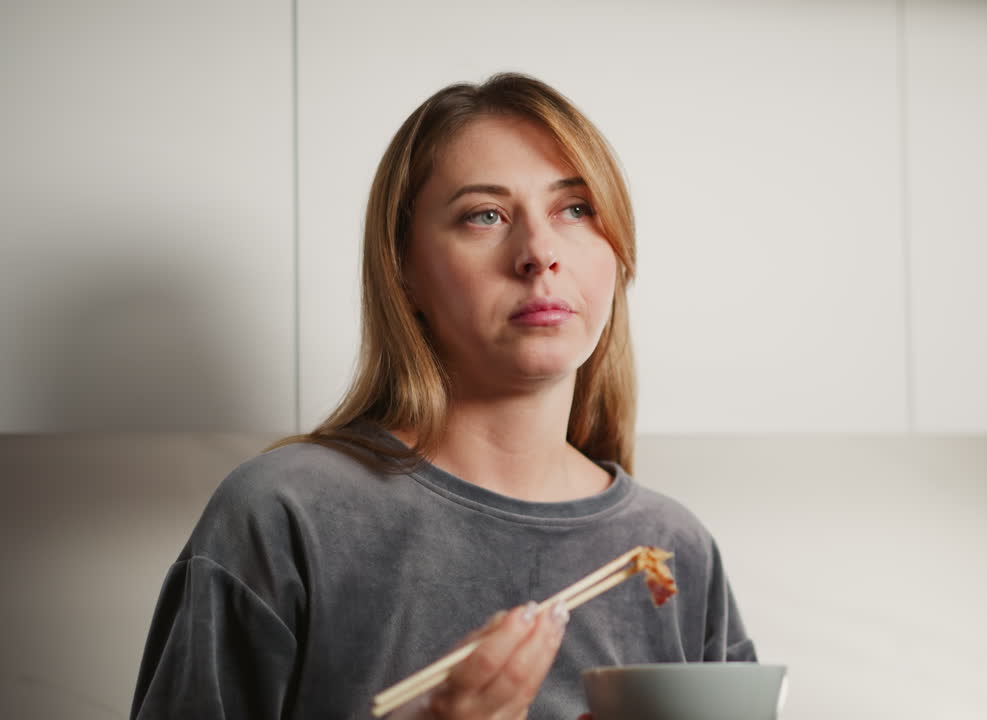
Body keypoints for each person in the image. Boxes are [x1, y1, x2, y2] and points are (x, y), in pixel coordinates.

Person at [130, 72, 756, 720]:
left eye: (576, 209)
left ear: (618, 252)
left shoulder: (672, 548)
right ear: (404, 269)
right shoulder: (282, 514)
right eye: (485, 215)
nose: (539, 253)